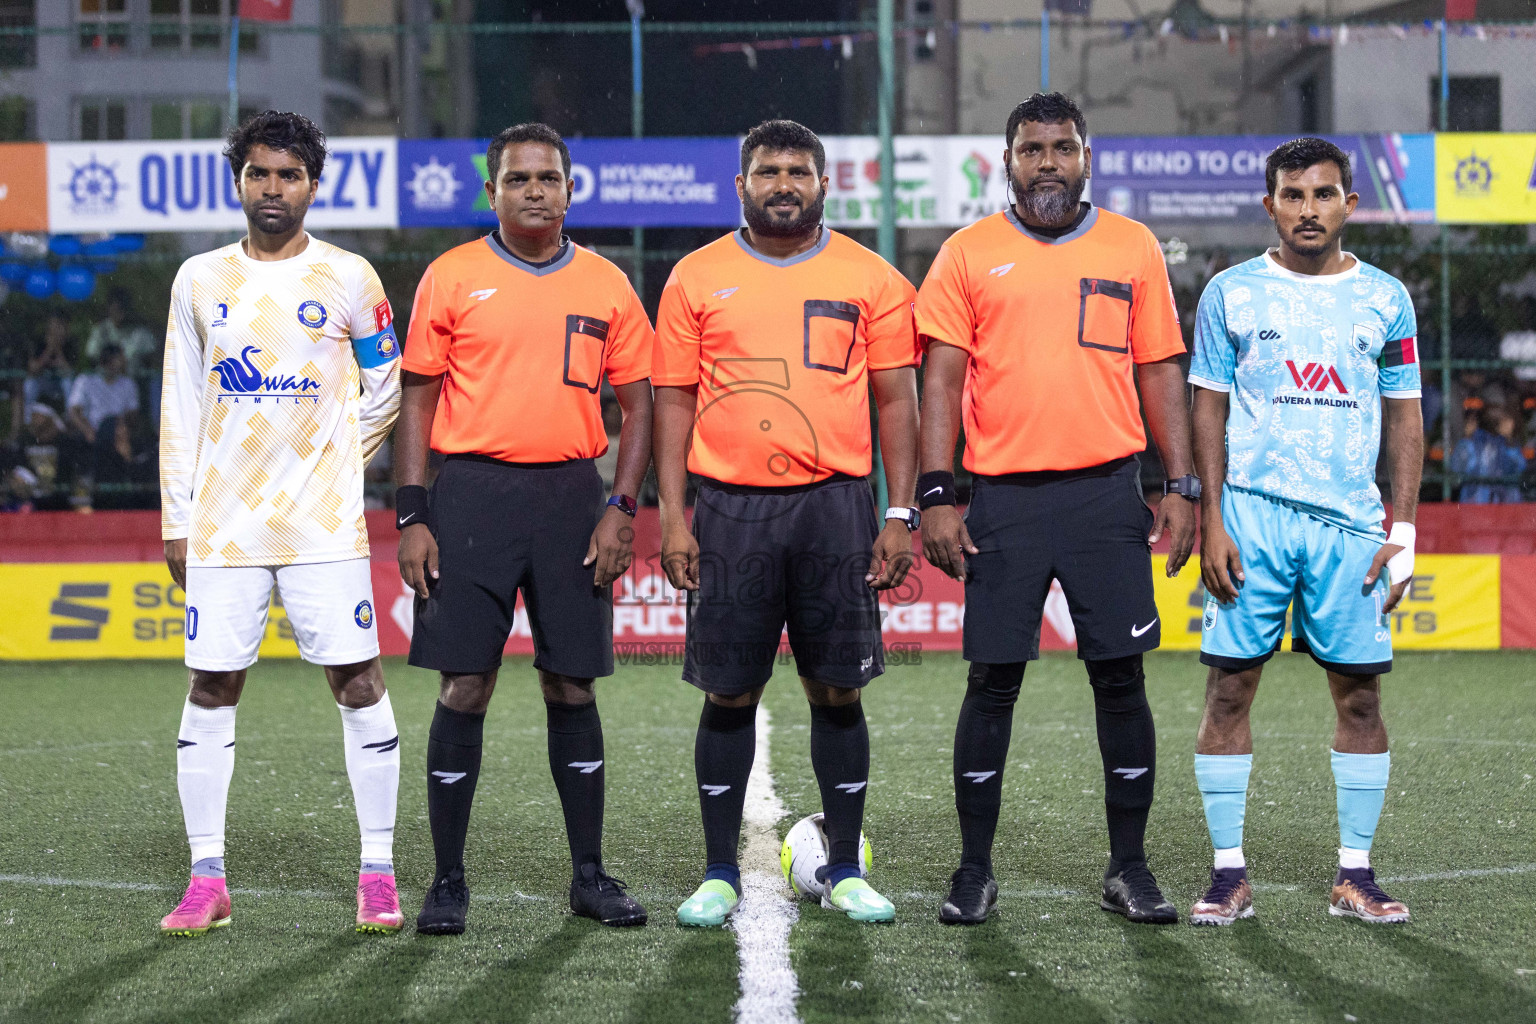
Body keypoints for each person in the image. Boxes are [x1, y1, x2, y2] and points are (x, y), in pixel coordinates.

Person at [914, 92, 1196, 926]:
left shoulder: (1132, 244)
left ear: (1085, 156)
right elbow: (941, 377)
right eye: (1031, 148)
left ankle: (1130, 868)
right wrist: (936, 490)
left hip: (1107, 493)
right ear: (1007, 161)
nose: (1047, 162)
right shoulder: (967, 253)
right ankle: (973, 871)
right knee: (992, 682)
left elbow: (1159, 372)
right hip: (1003, 497)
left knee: (1121, 680)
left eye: (1062, 147)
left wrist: (1180, 484)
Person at [654, 119, 921, 927]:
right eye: (768, 171)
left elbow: (895, 402)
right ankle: (716, 873)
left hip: (835, 508)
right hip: (730, 508)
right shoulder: (695, 277)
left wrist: (899, 511)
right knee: (728, 692)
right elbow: (673, 399)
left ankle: (844, 868)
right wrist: (673, 515)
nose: (783, 183)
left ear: (823, 184)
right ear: (740, 186)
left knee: (836, 688)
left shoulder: (872, 277)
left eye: (798, 171)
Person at [397, 122, 654, 935]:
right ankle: (447, 881)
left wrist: (621, 506)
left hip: (574, 499)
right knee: (464, 684)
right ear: (493, 192)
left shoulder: (609, 283)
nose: (534, 191)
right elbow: (418, 401)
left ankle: (588, 874)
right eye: (518, 180)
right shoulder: (451, 276)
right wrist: (413, 511)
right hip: (471, 497)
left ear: (571, 190)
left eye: (548, 178)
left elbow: (640, 403)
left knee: (570, 683)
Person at [157, 111, 405, 937]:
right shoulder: (198, 280)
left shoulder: (351, 278)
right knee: (211, 686)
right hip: (224, 526)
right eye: (259, 173)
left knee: (359, 682)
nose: (273, 189)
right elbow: (182, 405)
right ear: (239, 180)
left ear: (312, 184)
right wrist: (176, 519)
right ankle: (206, 877)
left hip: (323, 525)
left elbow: (386, 389)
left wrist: (337, 463)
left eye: (288, 175)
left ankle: (378, 869)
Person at [1187, 137, 1424, 926]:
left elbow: (1406, 416)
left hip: (1351, 528)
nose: (1308, 209)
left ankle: (1355, 873)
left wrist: (1406, 530)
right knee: (1228, 690)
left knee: (1359, 700)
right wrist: (1211, 516)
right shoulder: (1230, 293)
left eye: (1324, 195)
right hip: (1250, 518)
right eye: (1293, 195)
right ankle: (1229, 874)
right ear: (1271, 205)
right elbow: (1207, 408)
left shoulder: (1387, 298)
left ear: (1350, 205)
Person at [1451, 405, 1525, 503]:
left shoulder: (1505, 444)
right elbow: (1458, 468)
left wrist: (1509, 440)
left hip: (1503, 504)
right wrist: (1467, 437)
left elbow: (1516, 469)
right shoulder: (1473, 441)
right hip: (1475, 502)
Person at [86, 287, 159, 371]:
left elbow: (151, 358)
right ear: (109, 308)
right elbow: (91, 356)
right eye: (116, 309)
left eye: (122, 309)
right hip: (105, 380)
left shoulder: (140, 332)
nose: (120, 314)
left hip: (134, 380)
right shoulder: (100, 330)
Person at [24, 313, 75, 409]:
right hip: (43, 381)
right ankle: (27, 418)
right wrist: (49, 350)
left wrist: (58, 350)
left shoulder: (70, 345)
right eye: (54, 326)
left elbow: (70, 372)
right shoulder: (39, 343)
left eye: (60, 326)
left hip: (60, 383)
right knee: (30, 383)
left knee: (68, 383)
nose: (57, 330)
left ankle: (70, 418)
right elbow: (33, 369)